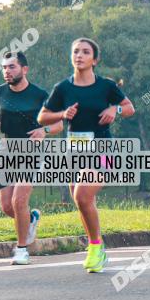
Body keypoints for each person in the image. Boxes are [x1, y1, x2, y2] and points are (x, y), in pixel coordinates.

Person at [38, 38, 135, 273]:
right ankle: (98, 247)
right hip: (74, 151)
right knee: (81, 202)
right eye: (75, 51)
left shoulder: (106, 86)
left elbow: (130, 108)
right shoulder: (63, 88)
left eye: (85, 52)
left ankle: (94, 247)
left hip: (102, 150)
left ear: (95, 59)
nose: (79, 55)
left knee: (82, 196)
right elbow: (42, 117)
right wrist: (62, 113)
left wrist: (115, 109)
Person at [0, 51, 63, 265]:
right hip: (7, 151)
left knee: (19, 200)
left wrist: (44, 131)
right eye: (4, 67)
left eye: (11, 67)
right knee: (6, 207)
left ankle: (21, 250)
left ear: (24, 69)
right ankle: (31, 220)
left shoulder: (40, 95)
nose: (7, 71)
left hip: (32, 152)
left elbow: (58, 124)